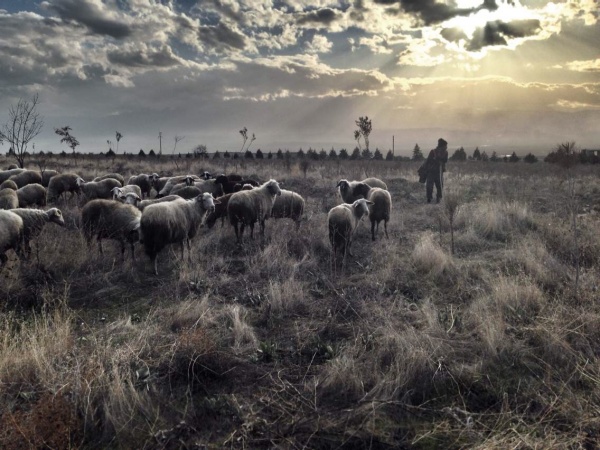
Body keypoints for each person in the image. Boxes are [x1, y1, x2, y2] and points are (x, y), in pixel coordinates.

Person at [425, 138, 448, 203]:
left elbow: (445, 160)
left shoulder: (446, 153)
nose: (446, 147)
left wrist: (439, 160)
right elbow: (429, 160)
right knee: (429, 186)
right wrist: (436, 160)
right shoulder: (433, 152)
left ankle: (439, 199)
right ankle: (429, 199)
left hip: (439, 172)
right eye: (445, 146)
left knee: (440, 186)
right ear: (442, 146)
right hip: (431, 171)